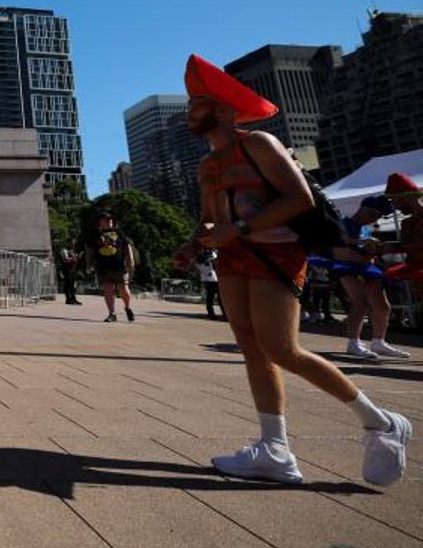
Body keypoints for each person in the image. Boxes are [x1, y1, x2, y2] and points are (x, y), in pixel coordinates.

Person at [174, 53, 410, 487]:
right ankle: (275, 449)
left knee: (282, 349)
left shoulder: (258, 144)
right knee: (250, 346)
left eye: (197, 104)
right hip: (233, 259)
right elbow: (210, 217)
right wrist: (194, 243)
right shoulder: (206, 165)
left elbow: (298, 198)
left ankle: (381, 422)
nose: (189, 112)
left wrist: (240, 227)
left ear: (224, 110)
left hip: (275, 255)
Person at [327, 195, 408, 360]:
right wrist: (362, 241)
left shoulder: (366, 229)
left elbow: (365, 249)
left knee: (383, 306)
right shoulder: (342, 222)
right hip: (346, 266)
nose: (374, 218)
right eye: (373, 214)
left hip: (367, 268)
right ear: (363, 208)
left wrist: (377, 248)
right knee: (361, 301)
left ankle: (379, 341)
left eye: (378, 216)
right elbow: (336, 241)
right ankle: (353, 342)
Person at [85, 212, 135, 322]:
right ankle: (112, 314)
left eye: (111, 220)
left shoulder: (119, 232)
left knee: (123, 290)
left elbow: (127, 245)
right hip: (103, 267)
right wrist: (88, 264)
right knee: (108, 290)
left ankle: (127, 307)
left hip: (119, 266)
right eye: (106, 220)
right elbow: (89, 249)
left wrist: (131, 261)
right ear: (100, 222)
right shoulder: (95, 234)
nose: (109, 221)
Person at [195, 249, 224, 320]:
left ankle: (224, 314)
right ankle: (212, 314)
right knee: (211, 297)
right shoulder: (202, 258)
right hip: (210, 279)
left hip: (215, 279)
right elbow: (199, 264)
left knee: (219, 298)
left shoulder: (212, 255)